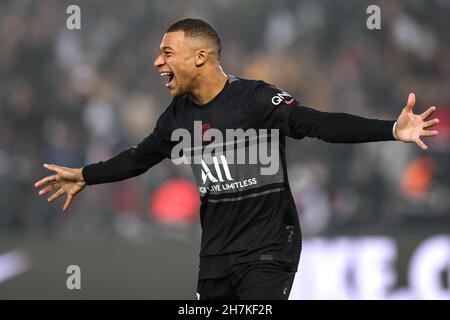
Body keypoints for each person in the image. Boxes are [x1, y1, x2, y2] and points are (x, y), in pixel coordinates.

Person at [34, 18, 439, 300]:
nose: (157, 62)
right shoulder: (176, 117)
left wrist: (390, 129)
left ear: (200, 57)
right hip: (215, 255)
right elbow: (140, 157)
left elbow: (319, 123)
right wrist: (87, 175)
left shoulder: (256, 98)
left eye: (166, 53)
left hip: (269, 248)